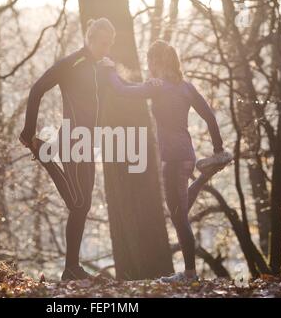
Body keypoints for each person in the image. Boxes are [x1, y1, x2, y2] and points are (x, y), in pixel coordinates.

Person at [100, 40, 233, 283]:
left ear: (157, 61)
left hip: (173, 159)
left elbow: (122, 90)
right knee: (180, 209)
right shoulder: (185, 87)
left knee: (179, 217)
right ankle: (205, 174)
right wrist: (218, 149)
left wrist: (109, 70)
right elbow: (210, 117)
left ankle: (190, 274)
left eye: (150, 61)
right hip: (188, 157)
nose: (148, 65)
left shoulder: (158, 87)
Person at [19, 18, 118, 281]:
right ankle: (44, 153)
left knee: (82, 207)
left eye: (110, 44)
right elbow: (37, 89)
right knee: (78, 203)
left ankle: (71, 268)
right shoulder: (72, 62)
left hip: (87, 143)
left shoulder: (98, 67)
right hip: (72, 139)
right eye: (103, 43)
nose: (106, 49)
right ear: (91, 38)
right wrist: (29, 130)